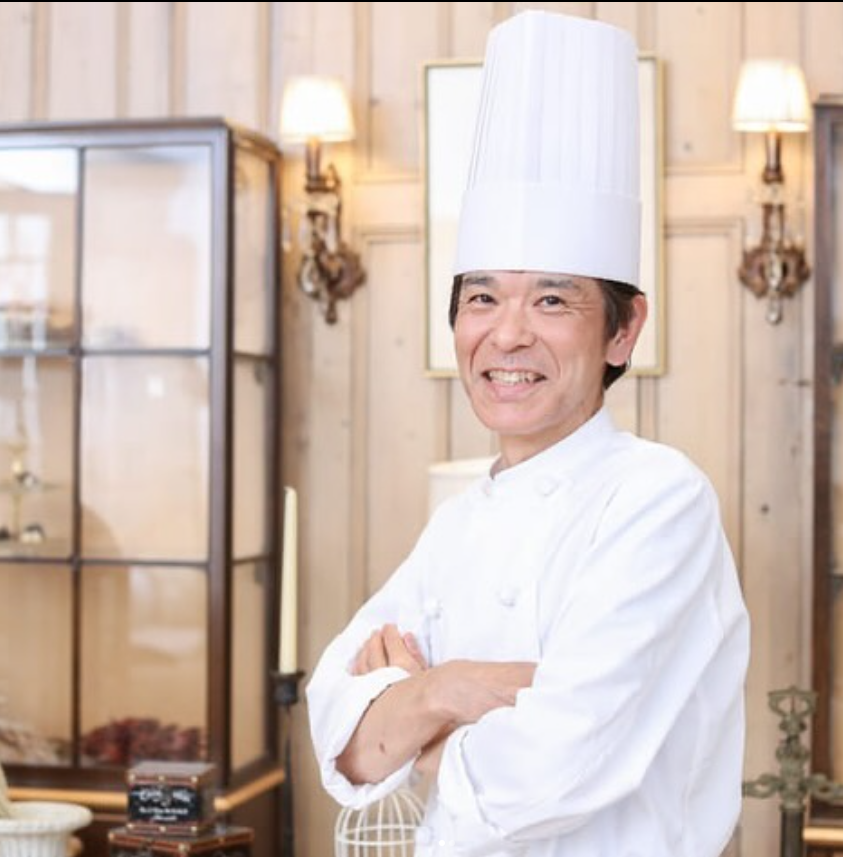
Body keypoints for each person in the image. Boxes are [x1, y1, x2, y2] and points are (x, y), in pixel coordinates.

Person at [307, 10, 750, 857]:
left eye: (551, 298)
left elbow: (546, 775)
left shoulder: (660, 499)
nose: (506, 334)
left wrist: (412, 718)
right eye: (481, 297)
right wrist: (452, 689)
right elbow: (341, 736)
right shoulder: (458, 523)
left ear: (622, 330)